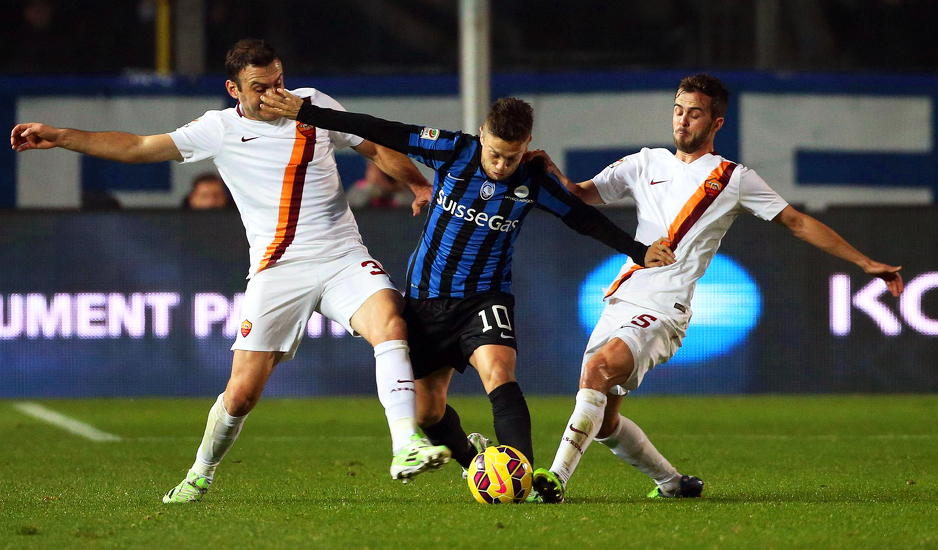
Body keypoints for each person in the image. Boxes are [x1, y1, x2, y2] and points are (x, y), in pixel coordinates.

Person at [10, 38, 451, 503]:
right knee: (240, 395)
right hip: (277, 270)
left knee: (391, 324)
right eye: (260, 87)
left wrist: (418, 184)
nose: (274, 94)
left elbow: (375, 148)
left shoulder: (314, 105)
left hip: (343, 257)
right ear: (234, 89)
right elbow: (138, 146)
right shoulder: (217, 129)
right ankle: (200, 472)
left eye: (278, 82)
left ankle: (405, 444)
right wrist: (60, 136)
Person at [258, 91, 675, 490]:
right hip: (425, 299)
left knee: (498, 372)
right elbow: (378, 128)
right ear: (481, 134)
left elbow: (583, 219)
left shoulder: (534, 180)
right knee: (426, 411)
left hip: (484, 298)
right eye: (493, 152)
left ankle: (522, 478)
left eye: (511, 156)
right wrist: (304, 112)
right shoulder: (453, 149)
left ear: (527, 144)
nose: (500, 164)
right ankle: (476, 462)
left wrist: (638, 251)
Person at [524, 73, 905, 503]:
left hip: (665, 309)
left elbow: (796, 222)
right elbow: (578, 195)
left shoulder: (732, 178)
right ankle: (672, 483)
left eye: (695, 113)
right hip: (621, 299)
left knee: (595, 373)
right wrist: (548, 168)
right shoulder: (644, 162)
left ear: (717, 122)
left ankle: (554, 481)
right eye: (678, 110)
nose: (683, 121)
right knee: (605, 418)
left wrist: (864, 262)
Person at [346, 160, 414, 208]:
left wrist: (399, 188)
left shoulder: (405, 193)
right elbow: (353, 209)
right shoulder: (360, 189)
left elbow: (412, 214)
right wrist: (373, 188)